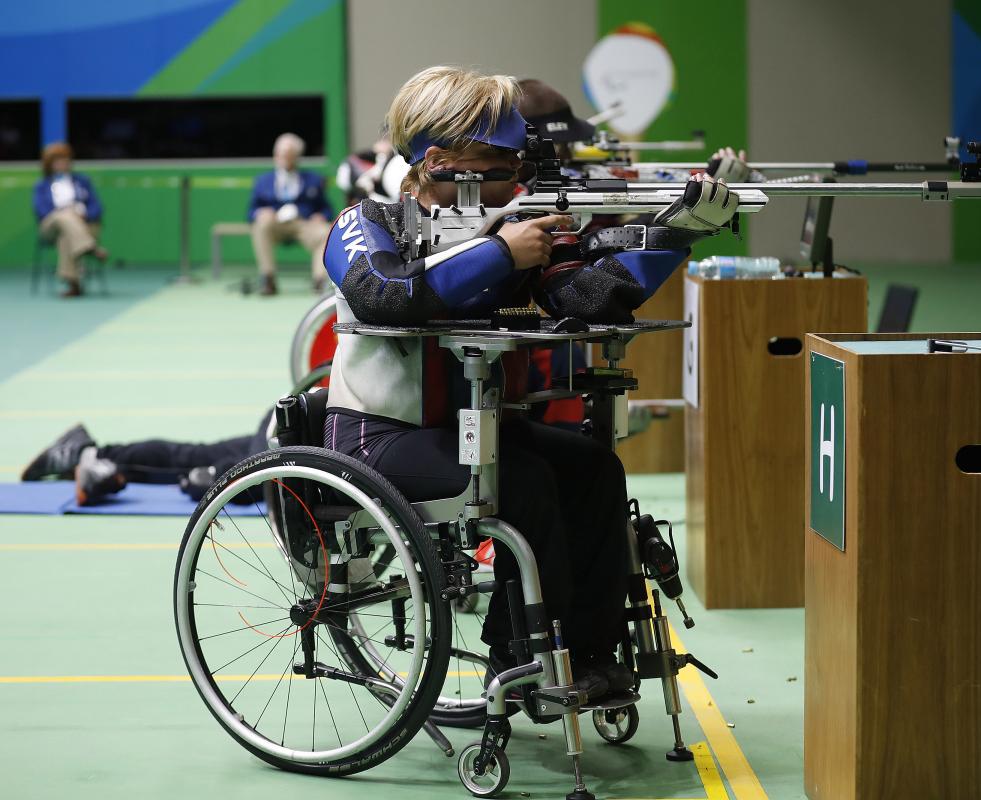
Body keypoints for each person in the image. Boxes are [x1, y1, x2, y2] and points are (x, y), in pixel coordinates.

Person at [322, 66, 736, 699]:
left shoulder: (514, 223)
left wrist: (674, 234)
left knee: (594, 467)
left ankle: (590, 654)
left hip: (479, 430)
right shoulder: (366, 222)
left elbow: (584, 297)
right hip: (379, 436)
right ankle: (519, 658)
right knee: (526, 481)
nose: (520, 177)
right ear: (440, 162)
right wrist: (499, 253)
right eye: (503, 164)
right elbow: (383, 294)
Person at [20, 417, 269, 506]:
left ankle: (91, 454)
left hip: (293, 426)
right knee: (245, 477)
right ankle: (89, 455)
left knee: (202, 456)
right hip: (291, 427)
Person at [249, 132, 334, 296]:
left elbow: (326, 209)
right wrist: (260, 213)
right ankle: (268, 279)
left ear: (297, 157)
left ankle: (319, 280)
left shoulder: (313, 179)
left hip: (304, 223)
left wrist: (322, 215)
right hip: (275, 223)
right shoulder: (262, 181)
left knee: (325, 231)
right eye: (281, 155)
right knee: (260, 225)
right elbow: (251, 211)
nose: (285, 159)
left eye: (289, 155)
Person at [32, 142, 108, 298]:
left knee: (66, 234)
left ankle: (74, 285)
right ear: (49, 164)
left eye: (65, 160)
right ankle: (90, 247)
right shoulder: (41, 186)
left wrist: (84, 213)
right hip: (50, 226)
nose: (63, 163)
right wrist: (68, 213)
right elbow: (41, 211)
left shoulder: (82, 181)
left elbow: (97, 207)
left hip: (80, 226)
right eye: (58, 160)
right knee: (64, 216)